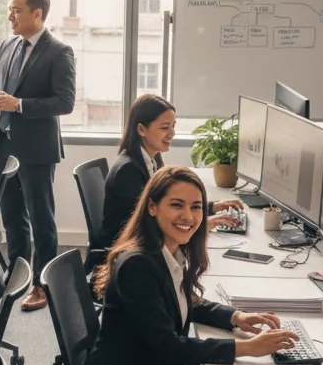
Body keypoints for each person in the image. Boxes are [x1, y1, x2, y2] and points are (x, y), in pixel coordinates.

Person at [82, 166, 298, 365]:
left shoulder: (168, 251)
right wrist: (248, 348)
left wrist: (236, 317)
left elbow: (185, 301)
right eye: (177, 205)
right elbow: (168, 347)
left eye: (196, 207)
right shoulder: (137, 265)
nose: (189, 216)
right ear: (153, 207)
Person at [0, 0, 75, 311]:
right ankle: (16, 276)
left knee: (41, 221)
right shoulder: (7, 44)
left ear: (37, 14)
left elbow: (65, 102)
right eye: (10, 9)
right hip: (4, 146)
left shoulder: (59, 52)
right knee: (12, 219)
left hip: (36, 151)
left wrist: (18, 104)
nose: (10, 16)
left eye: (16, 10)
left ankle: (42, 285)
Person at [100, 94, 244, 250]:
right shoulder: (128, 171)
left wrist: (212, 207)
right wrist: (203, 225)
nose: (172, 133)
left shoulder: (153, 160)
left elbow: (166, 201)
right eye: (165, 127)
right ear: (141, 129)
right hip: (125, 253)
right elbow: (149, 223)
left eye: (173, 126)